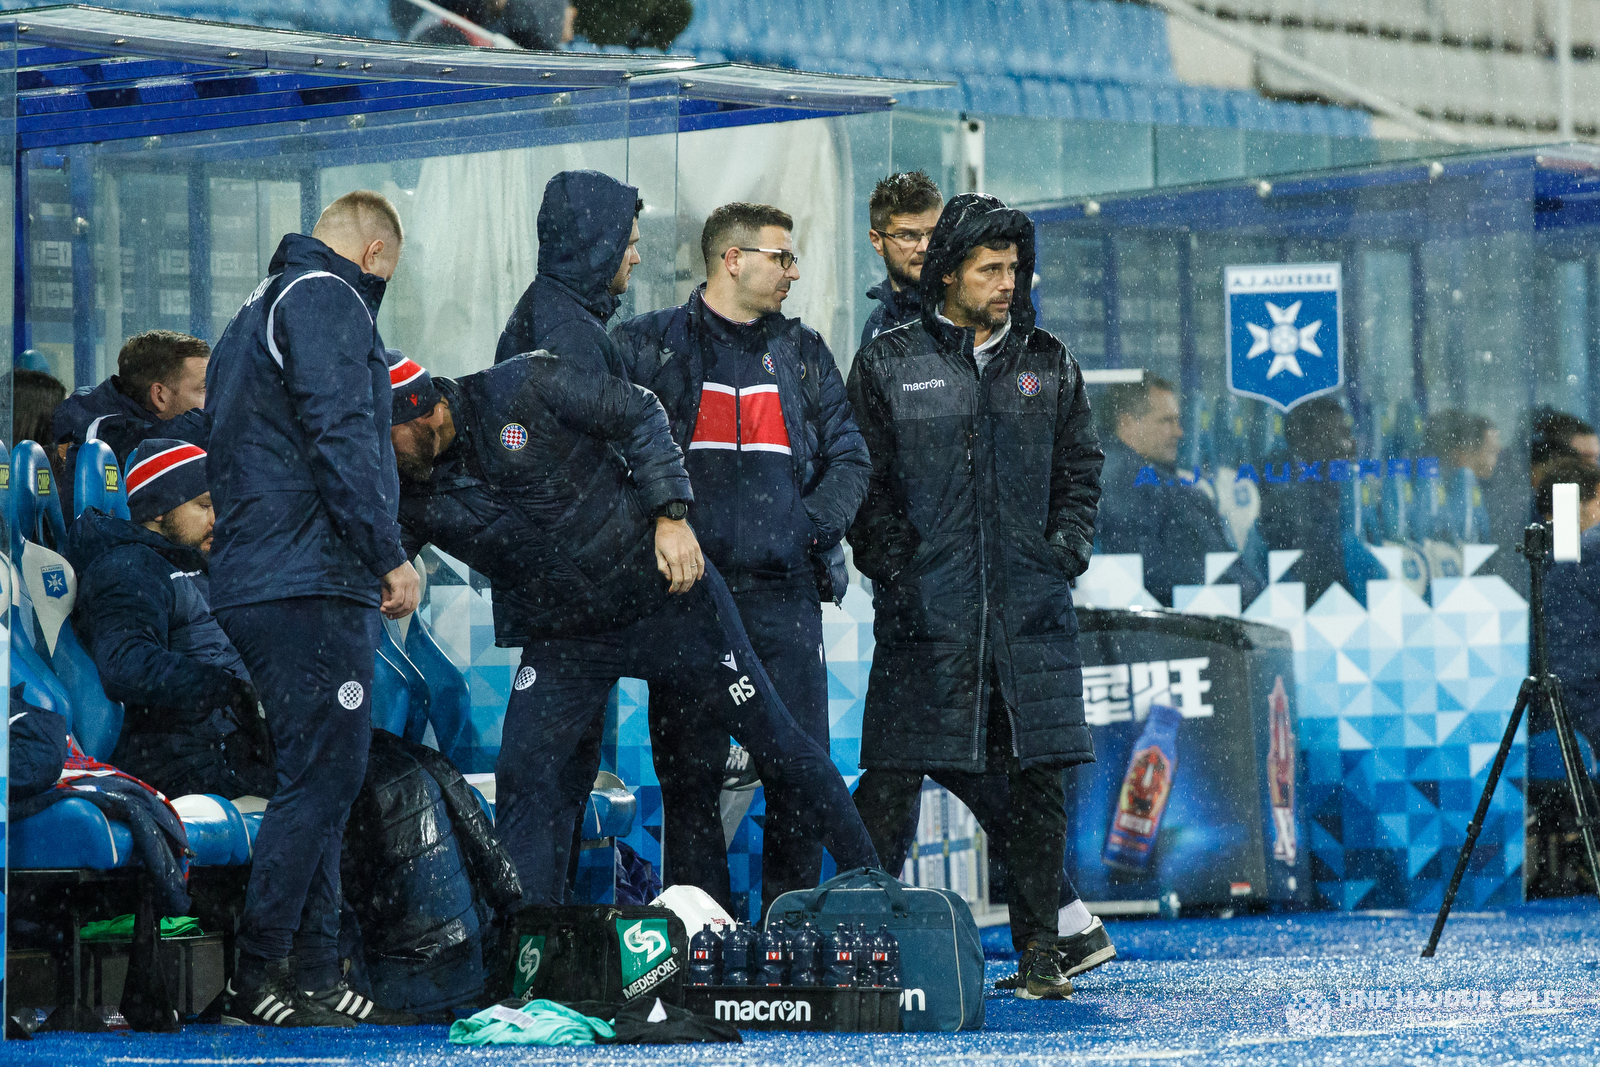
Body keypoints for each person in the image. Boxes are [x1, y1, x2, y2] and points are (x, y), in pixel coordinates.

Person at [389, 339, 880, 909]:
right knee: (526, 774)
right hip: (568, 636)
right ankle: (525, 948)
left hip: (668, 601)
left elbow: (640, 411)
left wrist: (670, 513)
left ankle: (874, 885)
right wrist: (391, 562)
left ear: (423, 410)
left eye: (383, 434)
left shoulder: (521, 385)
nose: (375, 451)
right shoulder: (402, 485)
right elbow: (383, 544)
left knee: (778, 741)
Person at [846, 192, 1109, 1000]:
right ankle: (857, 944)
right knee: (889, 784)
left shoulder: (1050, 361)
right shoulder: (888, 361)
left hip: (1029, 619)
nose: (1007, 281)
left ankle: (1041, 952)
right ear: (949, 273)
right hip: (926, 616)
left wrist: (1060, 551)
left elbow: (1081, 474)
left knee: (1035, 787)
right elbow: (865, 484)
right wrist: (898, 567)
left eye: (1014, 267)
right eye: (990, 268)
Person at [613, 202, 870, 913]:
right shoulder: (648, 344)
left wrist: (804, 531)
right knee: (689, 779)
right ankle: (704, 941)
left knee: (799, 772)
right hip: (687, 599)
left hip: (784, 593)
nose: (793, 270)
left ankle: (794, 929)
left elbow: (850, 454)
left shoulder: (804, 350)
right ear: (733, 259)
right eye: (780, 256)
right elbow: (610, 460)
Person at [207, 190, 421, 1028]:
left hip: (267, 572)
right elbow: (340, 436)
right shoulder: (328, 297)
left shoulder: (252, 310)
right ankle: (261, 970)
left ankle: (315, 970)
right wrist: (388, 552)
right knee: (320, 777)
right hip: (308, 577)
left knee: (321, 778)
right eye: (386, 283)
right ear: (371, 256)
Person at [65, 439, 276, 801]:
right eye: (203, 505)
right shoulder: (128, 568)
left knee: (377, 768)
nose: (216, 519)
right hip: (184, 760)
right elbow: (125, 664)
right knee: (343, 796)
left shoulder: (196, 563)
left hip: (234, 742)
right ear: (160, 508)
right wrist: (229, 690)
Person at [1095, 374, 1263, 607]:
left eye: (1178, 421)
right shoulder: (1150, 490)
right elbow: (1232, 581)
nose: (1179, 432)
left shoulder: (1090, 474)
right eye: (1166, 421)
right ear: (1127, 423)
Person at [494, 169, 642, 371]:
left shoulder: (544, 304)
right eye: (627, 246)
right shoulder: (576, 337)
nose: (636, 258)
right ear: (599, 249)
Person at [1254, 396, 1360, 604]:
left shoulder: (1331, 483)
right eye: (1340, 433)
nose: (1349, 444)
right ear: (1313, 437)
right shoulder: (1281, 485)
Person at [860, 170, 943, 350]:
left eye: (933, 234)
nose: (924, 247)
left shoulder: (967, 313)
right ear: (877, 241)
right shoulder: (876, 327)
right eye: (908, 236)